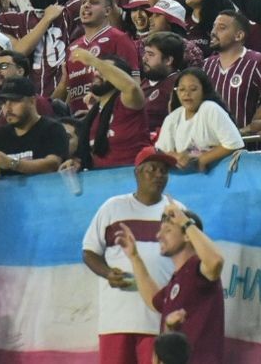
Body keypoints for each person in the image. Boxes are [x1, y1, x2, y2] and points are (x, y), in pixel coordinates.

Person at [82, 147, 176, 364]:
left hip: (159, 320)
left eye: (164, 170)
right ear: (137, 173)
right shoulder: (113, 207)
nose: (159, 175)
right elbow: (89, 251)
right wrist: (107, 273)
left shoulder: (175, 211)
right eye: (152, 169)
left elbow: (187, 259)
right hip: (117, 319)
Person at [119, 205, 225, 364]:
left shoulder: (198, 270)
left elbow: (216, 261)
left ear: (187, 236)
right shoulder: (178, 278)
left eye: (167, 230)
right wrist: (134, 257)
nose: (158, 235)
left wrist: (185, 222)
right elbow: (154, 300)